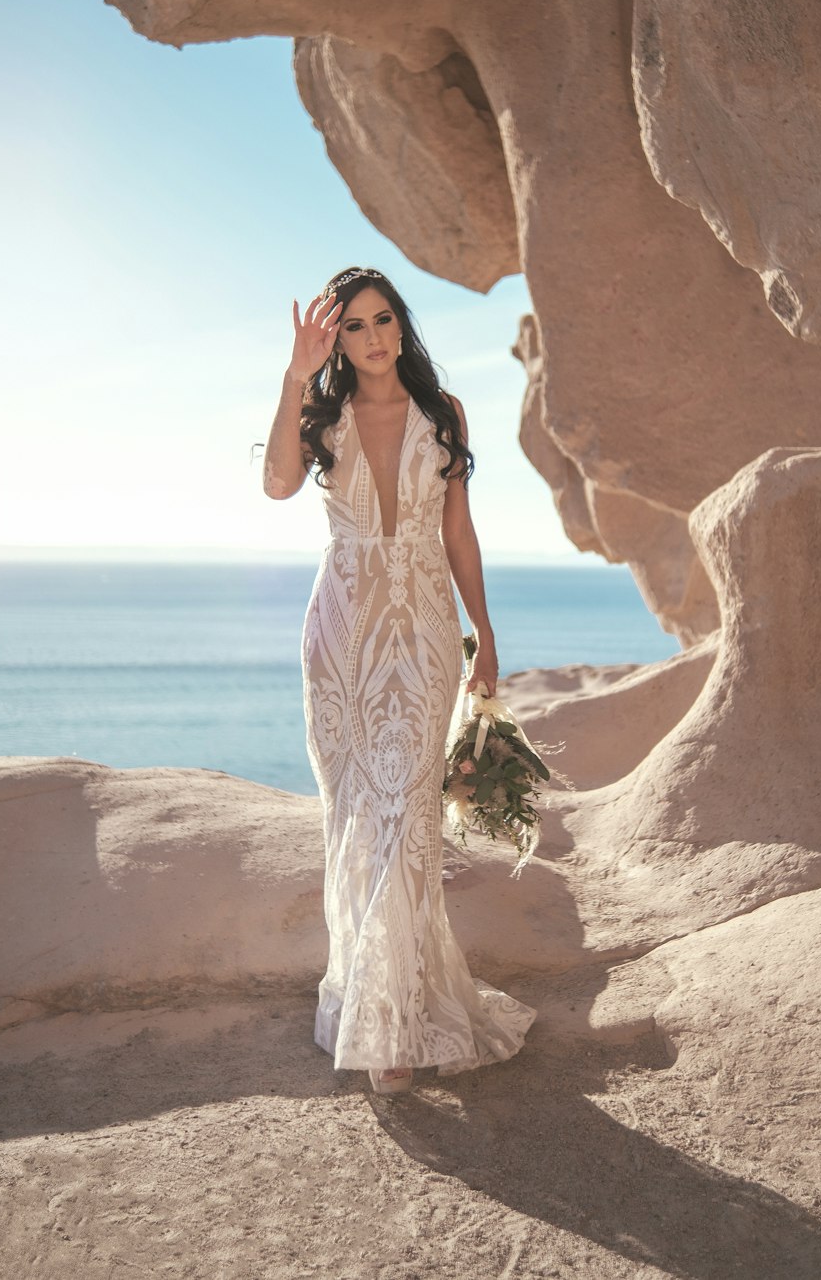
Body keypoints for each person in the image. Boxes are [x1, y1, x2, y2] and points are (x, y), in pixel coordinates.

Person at [262, 265, 536, 1095]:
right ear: (336, 339)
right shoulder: (322, 412)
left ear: (401, 326)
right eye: (354, 326)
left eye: (384, 320)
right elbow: (276, 482)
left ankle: (396, 1026)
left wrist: (483, 632)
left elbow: (460, 532)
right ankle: (375, 1007)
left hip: (420, 631)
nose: (373, 337)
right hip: (339, 636)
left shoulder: (442, 414)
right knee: (357, 818)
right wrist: (292, 379)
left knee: (406, 816)